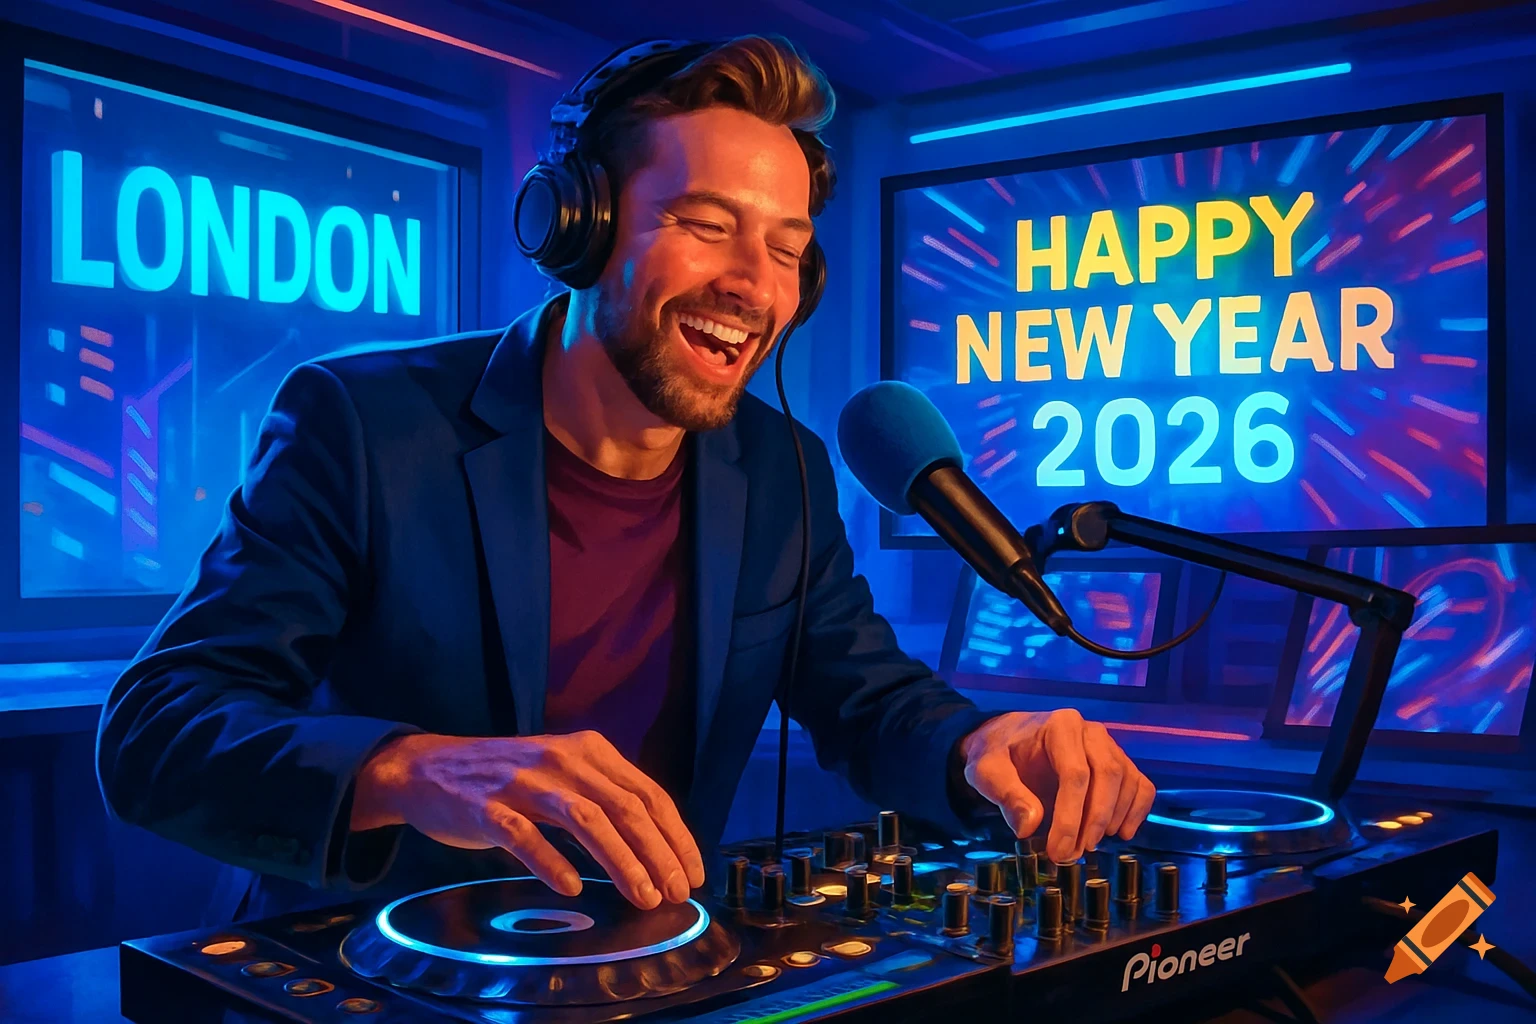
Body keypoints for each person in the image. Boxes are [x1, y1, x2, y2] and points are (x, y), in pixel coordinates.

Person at [96, 35, 1156, 921]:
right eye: (705, 226)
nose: (753, 285)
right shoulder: (364, 423)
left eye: (788, 249)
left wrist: (979, 741)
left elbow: (866, 696)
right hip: (379, 971)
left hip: (641, 974)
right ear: (578, 227)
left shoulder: (783, 470)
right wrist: (411, 768)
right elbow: (157, 726)